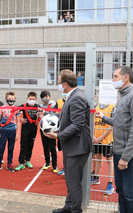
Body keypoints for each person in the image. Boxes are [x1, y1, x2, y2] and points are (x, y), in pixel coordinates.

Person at [95, 65, 133, 213]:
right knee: (121, 191)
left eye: (115, 76)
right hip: (118, 152)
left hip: (128, 155)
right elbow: (119, 122)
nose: (113, 80)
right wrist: (103, 117)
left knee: (129, 194)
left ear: (125, 78)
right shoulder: (123, 97)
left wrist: (126, 157)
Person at [41, 69, 92, 213]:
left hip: (78, 147)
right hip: (72, 146)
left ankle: (75, 210)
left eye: (58, 83)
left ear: (64, 84)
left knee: (74, 182)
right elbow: (66, 117)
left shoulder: (76, 98)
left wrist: (58, 136)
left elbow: (78, 124)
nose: (58, 86)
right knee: (70, 180)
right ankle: (68, 207)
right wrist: (47, 114)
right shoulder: (72, 96)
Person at [91, 103, 116, 196]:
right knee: (98, 157)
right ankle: (96, 177)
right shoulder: (96, 107)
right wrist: (93, 136)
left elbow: (112, 125)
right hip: (96, 139)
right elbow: (93, 123)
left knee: (109, 160)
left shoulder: (113, 107)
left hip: (107, 140)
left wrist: (100, 137)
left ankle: (110, 184)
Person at [0, 91, 20, 172]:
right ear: (6, 99)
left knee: (11, 148)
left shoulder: (16, 109)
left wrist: (18, 133)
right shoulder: (2, 108)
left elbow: (18, 121)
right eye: (9, 99)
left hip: (12, 131)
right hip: (3, 130)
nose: (11, 100)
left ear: (15, 99)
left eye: (12, 99)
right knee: (1, 148)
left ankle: (9, 164)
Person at [15, 92, 39, 171]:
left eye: (33, 99)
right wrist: (20, 119)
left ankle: (28, 160)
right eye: (30, 99)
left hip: (33, 128)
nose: (31, 100)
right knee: (23, 145)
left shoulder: (38, 107)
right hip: (25, 128)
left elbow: (41, 115)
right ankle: (21, 162)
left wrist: (39, 120)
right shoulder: (23, 106)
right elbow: (15, 112)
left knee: (30, 144)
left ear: (36, 100)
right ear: (27, 99)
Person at [40, 91, 58, 173]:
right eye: (43, 97)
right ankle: (47, 163)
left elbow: (55, 115)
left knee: (52, 148)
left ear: (50, 97)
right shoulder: (41, 106)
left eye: (46, 96)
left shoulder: (54, 104)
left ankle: (55, 165)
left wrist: (45, 113)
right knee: (45, 146)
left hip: (52, 129)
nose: (45, 98)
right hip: (43, 129)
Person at [54, 93, 67, 176]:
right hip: (61, 129)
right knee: (64, 151)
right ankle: (65, 168)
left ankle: (68, 169)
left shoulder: (73, 101)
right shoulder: (58, 102)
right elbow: (56, 114)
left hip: (70, 129)